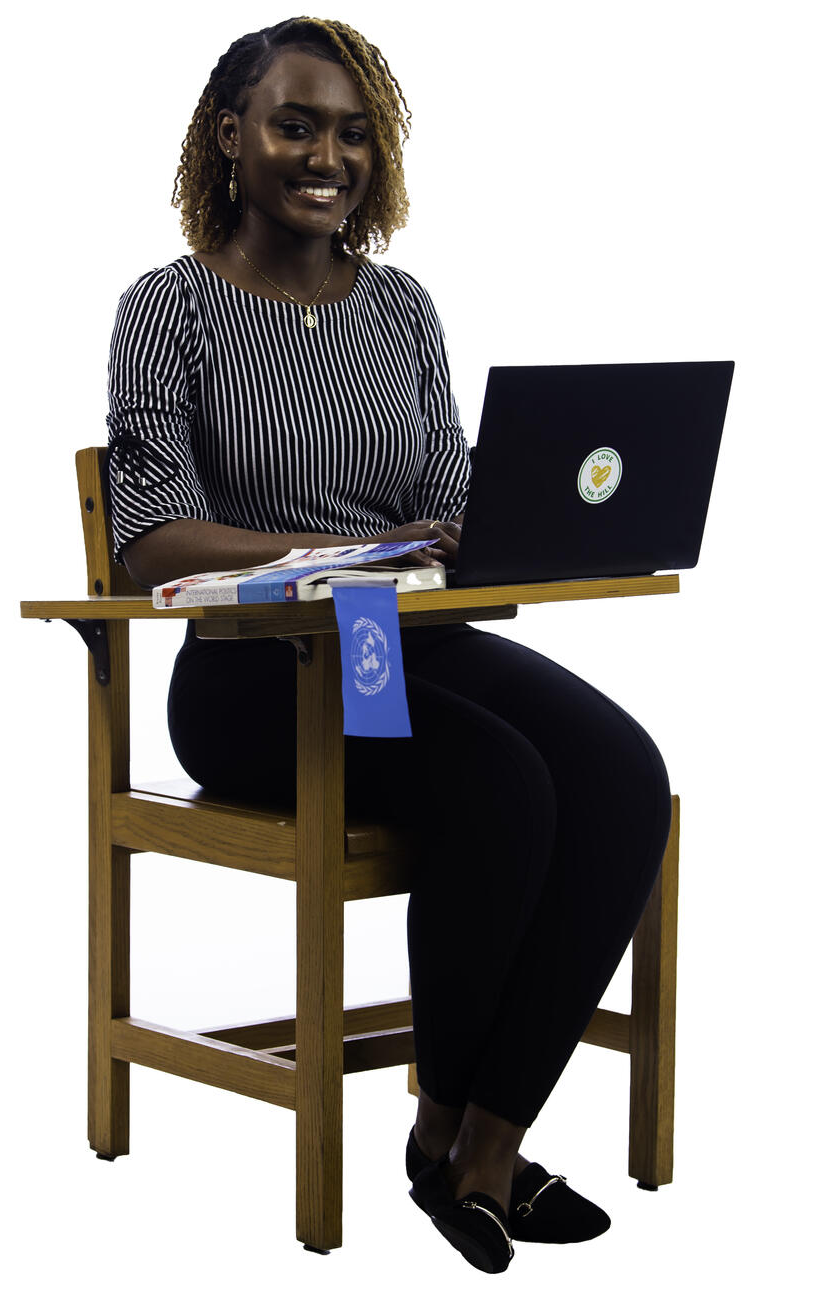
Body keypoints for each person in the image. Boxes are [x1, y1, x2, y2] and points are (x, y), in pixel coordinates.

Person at [105, 16, 671, 1273]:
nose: (328, 154)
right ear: (230, 136)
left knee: (623, 775)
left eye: (351, 131)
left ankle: (485, 1140)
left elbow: (434, 493)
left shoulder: (402, 308)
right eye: (296, 123)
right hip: (254, 676)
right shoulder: (169, 306)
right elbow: (151, 540)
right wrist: (333, 546)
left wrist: (515, 521)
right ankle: (435, 1133)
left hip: (393, 642)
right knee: (499, 786)